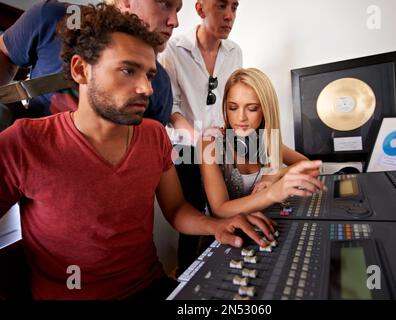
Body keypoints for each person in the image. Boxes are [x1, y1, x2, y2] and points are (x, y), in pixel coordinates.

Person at [0, 4, 274, 300]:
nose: (146, 88)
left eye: (150, 74)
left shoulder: (153, 135)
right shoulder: (23, 142)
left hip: (151, 288)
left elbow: (176, 209)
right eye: (128, 70)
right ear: (81, 70)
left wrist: (216, 225)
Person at [159, 0, 243, 276]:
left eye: (234, 7)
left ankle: (223, 269)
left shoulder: (234, 52)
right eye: (221, 6)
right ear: (199, 9)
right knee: (193, 213)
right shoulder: (174, 48)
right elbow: (170, 109)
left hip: (220, 146)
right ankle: (186, 275)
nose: (229, 15)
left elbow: (232, 99)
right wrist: (199, 140)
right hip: (185, 147)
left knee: (224, 211)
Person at [0, 0, 182, 125]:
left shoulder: (161, 84)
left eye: (177, 10)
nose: (175, 21)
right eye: (164, 3)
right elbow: (4, 52)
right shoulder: (55, 17)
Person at [199, 68, 326, 218]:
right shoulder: (209, 144)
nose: (241, 118)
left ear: (265, 110)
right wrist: (272, 193)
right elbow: (220, 210)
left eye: (252, 108)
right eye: (232, 108)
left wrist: (274, 174)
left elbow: (310, 167)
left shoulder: (267, 141)